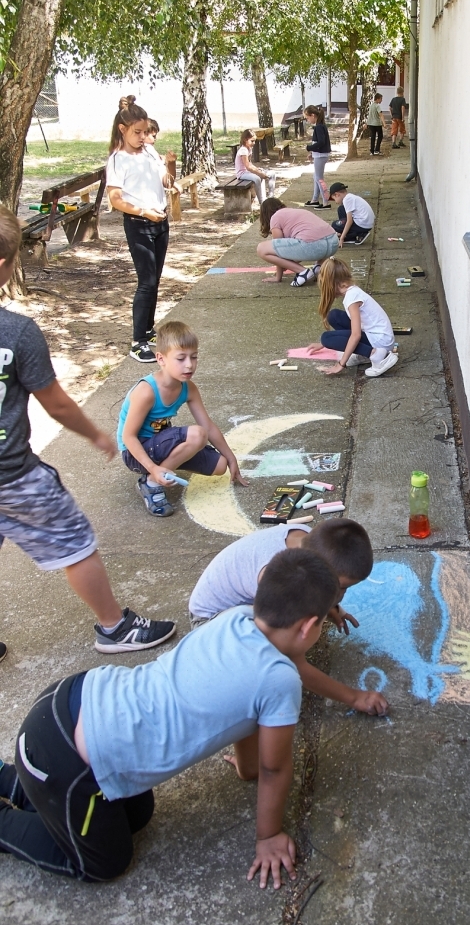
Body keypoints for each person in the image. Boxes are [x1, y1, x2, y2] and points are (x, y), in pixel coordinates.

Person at [0, 550, 382, 885]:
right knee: (105, 862)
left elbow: (252, 711)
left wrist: (246, 768)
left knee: (137, 814)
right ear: (309, 627)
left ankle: (16, 780)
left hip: (74, 699)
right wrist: (268, 836)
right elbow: (276, 770)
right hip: (68, 759)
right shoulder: (279, 682)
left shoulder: (236, 618)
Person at [0, 205, 176, 658]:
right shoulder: (17, 333)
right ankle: (114, 628)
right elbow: (55, 403)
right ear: (4, 266)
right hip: (13, 476)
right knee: (76, 543)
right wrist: (97, 435)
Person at [189, 519, 388, 718]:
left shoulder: (309, 540)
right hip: (209, 624)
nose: (342, 594)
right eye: (341, 587)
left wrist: (331, 606)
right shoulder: (280, 581)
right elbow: (295, 663)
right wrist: (355, 698)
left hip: (237, 607)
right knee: (272, 666)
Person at [118, 320, 248, 517]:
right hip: (134, 453)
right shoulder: (147, 391)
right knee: (197, 435)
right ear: (161, 359)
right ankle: (151, 483)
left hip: (158, 446)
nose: (189, 365)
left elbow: (209, 426)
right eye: (181, 358)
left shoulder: (188, 388)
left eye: (194, 357)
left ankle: (163, 469)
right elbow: (128, 437)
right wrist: (153, 469)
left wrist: (231, 457)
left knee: (220, 466)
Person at [106, 96, 174, 364]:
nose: (144, 137)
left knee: (155, 280)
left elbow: (166, 180)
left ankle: (148, 328)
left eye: (146, 132)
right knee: (145, 282)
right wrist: (144, 211)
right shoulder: (117, 160)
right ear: (123, 130)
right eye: (138, 132)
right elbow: (115, 199)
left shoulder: (148, 151)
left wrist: (170, 165)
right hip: (139, 225)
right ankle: (138, 342)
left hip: (160, 222)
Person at [307, 258, 398, 378]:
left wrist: (341, 364)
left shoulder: (351, 299)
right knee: (334, 316)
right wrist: (323, 345)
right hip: (378, 336)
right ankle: (364, 354)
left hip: (381, 342)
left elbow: (356, 335)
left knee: (326, 338)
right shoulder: (353, 291)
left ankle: (376, 355)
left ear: (330, 284)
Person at [256, 199, 339, 287]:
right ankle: (319, 268)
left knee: (261, 248)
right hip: (333, 243)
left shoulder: (275, 217)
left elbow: (278, 250)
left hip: (314, 245)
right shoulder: (296, 211)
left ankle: (303, 272)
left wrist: (278, 277)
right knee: (309, 240)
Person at [303, 105, 331, 208]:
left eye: (307, 117)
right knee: (316, 177)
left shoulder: (319, 127)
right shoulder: (320, 125)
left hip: (321, 156)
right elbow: (319, 143)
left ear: (313, 115)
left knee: (319, 178)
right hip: (319, 155)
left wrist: (309, 148)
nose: (307, 120)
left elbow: (321, 142)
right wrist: (312, 152)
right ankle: (315, 199)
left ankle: (325, 202)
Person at [235, 130, 270, 205]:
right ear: (245, 140)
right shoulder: (243, 150)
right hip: (242, 173)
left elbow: (250, 163)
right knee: (257, 178)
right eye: (252, 141)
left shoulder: (249, 149)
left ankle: (269, 198)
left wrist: (258, 170)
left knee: (266, 174)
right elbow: (248, 166)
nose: (254, 143)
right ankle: (262, 202)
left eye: (255, 141)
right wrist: (259, 173)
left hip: (247, 172)